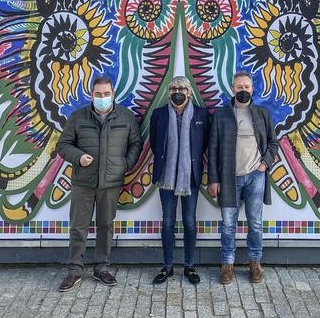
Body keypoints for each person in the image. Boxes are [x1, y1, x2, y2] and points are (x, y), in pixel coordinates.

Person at [56, 75, 142, 292]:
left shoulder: (126, 117)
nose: (102, 98)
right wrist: (78, 157)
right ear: (91, 95)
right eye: (98, 94)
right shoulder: (78, 117)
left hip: (111, 182)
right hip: (83, 182)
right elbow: (63, 145)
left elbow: (136, 143)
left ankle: (102, 267)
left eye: (106, 94)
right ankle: (75, 270)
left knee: (105, 226)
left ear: (113, 94)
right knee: (78, 227)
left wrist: (125, 164)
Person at [207, 71, 279, 284]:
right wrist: (213, 179)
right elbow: (213, 149)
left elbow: (273, 143)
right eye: (239, 87)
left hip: (256, 177)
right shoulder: (221, 115)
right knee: (228, 224)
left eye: (247, 87)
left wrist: (264, 163)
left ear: (252, 89)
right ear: (233, 89)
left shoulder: (262, 114)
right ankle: (227, 264)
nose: (243, 91)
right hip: (229, 178)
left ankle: (255, 263)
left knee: (255, 223)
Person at [150, 76, 210, 285]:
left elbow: (203, 145)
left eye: (182, 88)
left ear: (189, 92)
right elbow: (154, 143)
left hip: (190, 177)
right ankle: (167, 267)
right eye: (174, 88)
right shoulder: (158, 115)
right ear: (168, 92)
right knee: (167, 222)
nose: (178, 91)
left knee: (189, 222)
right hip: (166, 177)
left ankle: (189, 266)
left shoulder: (202, 115)